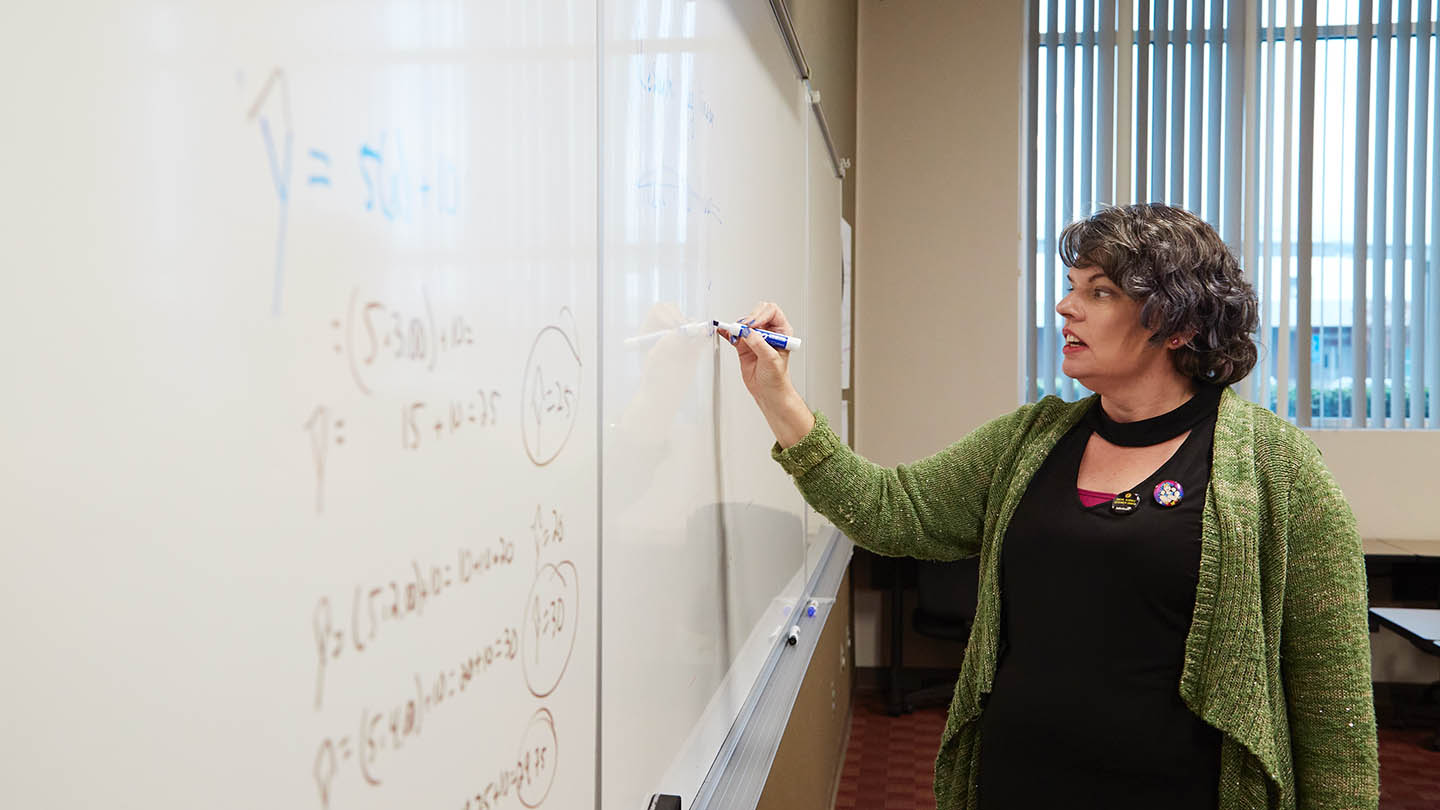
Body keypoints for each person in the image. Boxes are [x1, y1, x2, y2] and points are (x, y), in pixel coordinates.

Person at [719, 203, 1379, 810]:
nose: (1066, 307)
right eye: (1072, 285)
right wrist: (777, 396)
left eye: (1100, 292)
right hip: (1019, 782)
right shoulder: (1032, 441)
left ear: (1178, 323)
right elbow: (892, 511)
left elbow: (1334, 709)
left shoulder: (1277, 470)